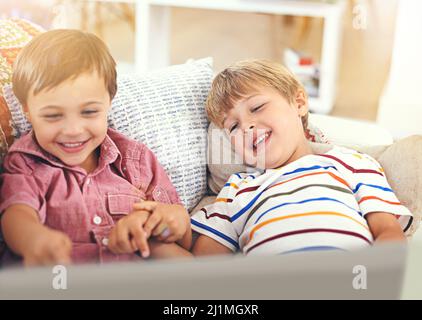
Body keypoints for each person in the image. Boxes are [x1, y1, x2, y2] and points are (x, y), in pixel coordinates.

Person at [0, 29, 191, 267]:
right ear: (27, 110)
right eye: (52, 115)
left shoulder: (135, 160)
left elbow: (179, 232)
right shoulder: (26, 163)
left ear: (109, 102)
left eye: (89, 112)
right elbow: (17, 213)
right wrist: (33, 239)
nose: (73, 129)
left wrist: (166, 222)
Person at [189, 59, 413, 256]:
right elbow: (204, 264)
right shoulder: (238, 189)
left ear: (299, 103)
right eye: (233, 126)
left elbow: (388, 234)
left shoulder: (353, 163)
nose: (246, 125)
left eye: (256, 107)